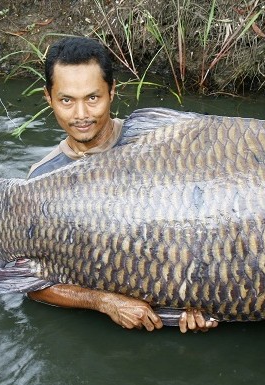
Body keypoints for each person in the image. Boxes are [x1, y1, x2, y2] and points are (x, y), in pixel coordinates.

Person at [26, 36, 216, 333]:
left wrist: (205, 298)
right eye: (66, 100)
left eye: (93, 98)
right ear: (48, 98)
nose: (81, 115)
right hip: (95, 338)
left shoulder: (159, 144)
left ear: (112, 92)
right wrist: (105, 302)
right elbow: (32, 284)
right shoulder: (41, 179)